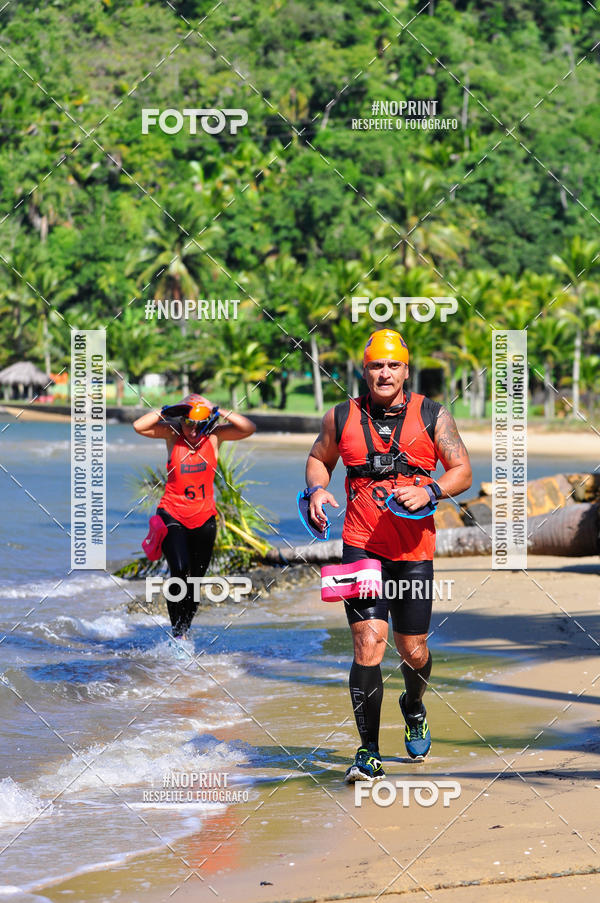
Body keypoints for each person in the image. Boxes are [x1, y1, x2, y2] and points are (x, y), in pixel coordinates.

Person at [303, 329, 472, 782]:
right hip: (359, 545)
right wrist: (316, 490)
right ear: (365, 369)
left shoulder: (433, 416)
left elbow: (463, 471)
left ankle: (413, 704)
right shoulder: (340, 416)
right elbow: (319, 458)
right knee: (367, 644)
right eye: (377, 365)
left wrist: (431, 488)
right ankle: (368, 753)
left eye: (392, 365)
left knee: (412, 650)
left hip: (414, 549)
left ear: (405, 369)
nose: (384, 373)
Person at [133, 394, 256, 644]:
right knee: (179, 570)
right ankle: (177, 633)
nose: (193, 430)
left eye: (199, 424)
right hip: (172, 515)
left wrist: (218, 410)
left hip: (204, 520)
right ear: (181, 421)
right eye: (188, 423)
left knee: (195, 581)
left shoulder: (214, 436)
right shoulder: (172, 435)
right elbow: (139, 426)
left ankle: (184, 630)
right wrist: (167, 409)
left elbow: (248, 428)